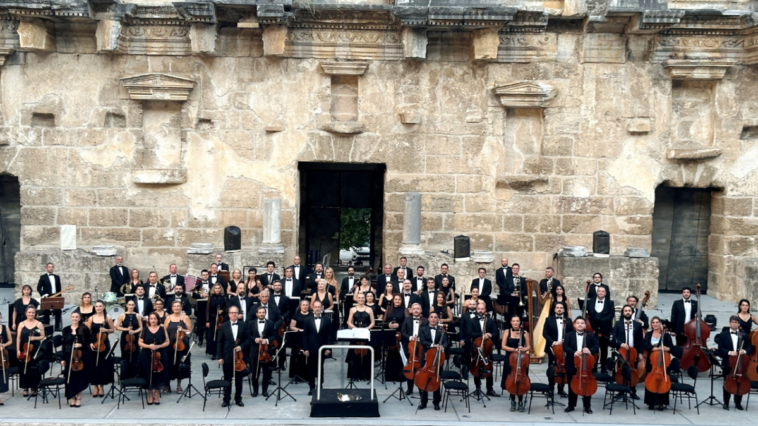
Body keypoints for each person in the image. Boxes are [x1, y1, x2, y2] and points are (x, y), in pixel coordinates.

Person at [563, 316, 599, 414]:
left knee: (587, 385)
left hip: (586, 365)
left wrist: (589, 350)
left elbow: (596, 346)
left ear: (585, 325)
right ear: (574, 325)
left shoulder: (591, 335)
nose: (580, 324)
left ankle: (587, 406)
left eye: (582, 323)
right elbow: (565, 346)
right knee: (572, 385)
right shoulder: (569, 335)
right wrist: (574, 352)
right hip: (572, 364)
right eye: (578, 323)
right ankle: (571, 405)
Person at [463, 301, 499, 397]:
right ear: (476, 310)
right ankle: (477, 388)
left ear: (485, 310)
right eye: (479, 309)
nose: (480, 311)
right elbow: (470, 333)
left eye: (482, 309)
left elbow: (496, 333)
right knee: (476, 367)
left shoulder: (490, 321)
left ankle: (489, 389)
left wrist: (490, 334)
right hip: (476, 348)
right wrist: (483, 335)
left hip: (487, 349)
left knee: (489, 367)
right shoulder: (472, 320)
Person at [217, 305, 249, 407]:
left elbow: (249, 340)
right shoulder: (223, 326)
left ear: (238, 314)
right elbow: (219, 342)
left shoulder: (244, 325)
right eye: (232, 313)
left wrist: (241, 346)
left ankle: (238, 398)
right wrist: (220, 357)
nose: (234, 314)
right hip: (227, 356)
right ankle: (226, 399)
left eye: (236, 312)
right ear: (229, 314)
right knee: (227, 379)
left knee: (239, 379)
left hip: (240, 357)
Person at [718, 315, 752, 410]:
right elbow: (720, 348)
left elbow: (749, 348)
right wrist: (729, 352)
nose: (734, 324)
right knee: (727, 382)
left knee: (740, 382)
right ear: (730, 323)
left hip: (741, 363)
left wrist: (744, 351)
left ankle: (738, 403)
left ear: (738, 324)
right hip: (728, 363)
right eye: (732, 322)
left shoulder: (744, 335)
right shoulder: (723, 334)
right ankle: (726, 403)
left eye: (736, 322)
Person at [612, 305, 644, 397]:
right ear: (623, 313)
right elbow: (614, 337)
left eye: (629, 310)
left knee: (633, 370)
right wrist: (621, 344)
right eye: (625, 311)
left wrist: (640, 353)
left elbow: (641, 340)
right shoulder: (618, 324)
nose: (627, 312)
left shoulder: (637, 325)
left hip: (634, 352)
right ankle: (621, 391)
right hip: (622, 352)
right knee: (621, 370)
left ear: (632, 312)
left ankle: (632, 391)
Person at [139, 311, 170, 405]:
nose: (153, 320)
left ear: (158, 320)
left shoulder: (162, 329)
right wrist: (149, 346)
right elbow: (140, 342)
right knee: (148, 374)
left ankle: (156, 395)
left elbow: (167, 342)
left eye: (155, 319)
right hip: (146, 355)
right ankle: (150, 396)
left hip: (160, 355)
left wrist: (159, 346)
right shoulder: (145, 329)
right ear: (149, 320)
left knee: (158, 375)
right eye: (151, 319)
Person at [418, 311, 447, 411]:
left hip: (438, 358)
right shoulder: (422, 329)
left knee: (436, 380)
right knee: (424, 379)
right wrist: (433, 345)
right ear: (428, 319)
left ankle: (436, 402)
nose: (434, 319)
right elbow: (423, 341)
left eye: (435, 317)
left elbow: (446, 342)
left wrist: (442, 347)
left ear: (438, 319)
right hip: (426, 358)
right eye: (432, 317)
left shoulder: (441, 330)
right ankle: (423, 402)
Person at [543, 301, 573, 397]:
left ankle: (561, 388)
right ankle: (550, 388)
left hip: (565, 348)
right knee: (552, 368)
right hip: (553, 348)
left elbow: (572, 333)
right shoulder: (549, 320)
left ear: (564, 309)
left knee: (564, 368)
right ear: (554, 309)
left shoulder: (568, 320)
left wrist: (567, 340)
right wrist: (553, 342)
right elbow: (545, 333)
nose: (559, 309)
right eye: (557, 307)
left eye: (561, 307)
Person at [501, 315, 531, 412]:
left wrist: (523, 349)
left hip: (522, 360)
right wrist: (514, 349)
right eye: (513, 321)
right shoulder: (506, 332)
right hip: (511, 360)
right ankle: (513, 401)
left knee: (521, 380)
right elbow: (503, 346)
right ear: (510, 322)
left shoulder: (525, 332)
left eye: (517, 321)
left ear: (520, 322)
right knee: (511, 380)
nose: (515, 322)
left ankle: (521, 401)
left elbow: (529, 346)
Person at [644, 316, 674, 411]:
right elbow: (646, 345)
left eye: (657, 322)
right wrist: (656, 348)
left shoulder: (666, 335)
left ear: (660, 323)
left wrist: (667, 348)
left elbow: (672, 347)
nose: (655, 324)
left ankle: (662, 403)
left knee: (663, 381)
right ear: (651, 324)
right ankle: (651, 402)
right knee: (650, 381)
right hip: (652, 362)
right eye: (653, 322)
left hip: (663, 363)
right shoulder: (648, 334)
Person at [303, 300, 332, 396]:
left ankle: (320, 386)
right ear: (313, 308)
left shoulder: (327, 320)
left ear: (322, 308)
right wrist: (305, 348)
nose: (317, 309)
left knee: (320, 368)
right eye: (316, 307)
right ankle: (311, 387)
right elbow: (305, 335)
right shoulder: (307, 320)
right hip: (311, 348)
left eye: (319, 307)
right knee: (311, 369)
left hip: (322, 348)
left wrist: (328, 348)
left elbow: (329, 335)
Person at [61, 311, 90, 407]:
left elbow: (89, 342)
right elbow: (64, 345)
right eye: (73, 317)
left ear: (80, 318)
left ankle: (79, 397)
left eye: (77, 317)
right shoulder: (66, 330)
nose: (75, 319)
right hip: (69, 355)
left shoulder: (84, 328)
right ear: (70, 318)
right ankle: (72, 396)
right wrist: (62, 358)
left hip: (81, 356)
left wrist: (81, 344)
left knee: (79, 377)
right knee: (70, 378)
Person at [86, 300, 115, 397]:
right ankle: (95, 386)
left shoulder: (108, 318)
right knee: (93, 365)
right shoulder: (91, 318)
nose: (98, 308)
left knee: (103, 365)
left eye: (100, 306)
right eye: (96, 306)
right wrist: (89, 342)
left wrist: (105, 329)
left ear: (104, 307)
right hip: (93, 344)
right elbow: (88, 333)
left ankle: (102, 386)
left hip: (104, 344)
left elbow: (112, 330)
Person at [346, 292, 375, 381]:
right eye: (359, 297)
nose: (361, 299)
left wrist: (366, 329)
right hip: (356, 333)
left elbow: (373, 322)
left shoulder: (370, 309)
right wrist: (356, 328)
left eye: (363, 297)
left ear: (365, 298)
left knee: (367, 355)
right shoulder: (352, 309)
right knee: (354, 355)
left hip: (366, 333)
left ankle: (366, 375)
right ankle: (354, 375)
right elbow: (348, 322)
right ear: (357, 299)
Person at [164, 300, 192, 394]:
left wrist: (182, 329)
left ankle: (179, 385)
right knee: (169, 363)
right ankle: (167, 385)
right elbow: (164, 331)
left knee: (179, 364)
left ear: (181, 307)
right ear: (172, 308)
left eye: (178, 306)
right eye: (174, 306)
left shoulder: (185, 317)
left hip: (181, 344)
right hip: (170, 344)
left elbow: (189, 331)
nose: (176, 308)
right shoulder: (168, 318)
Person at [17, 305, 45, 397]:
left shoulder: (39, 324)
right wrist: (17, 350)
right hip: (24, 349)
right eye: (29, 312)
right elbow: (18, 338)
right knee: (24, 368)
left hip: (34, 349)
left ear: (35, 313)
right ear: (26, 313)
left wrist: (34, 338)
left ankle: (34, 387)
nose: (31, 314)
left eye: (33, 312)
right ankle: (25, 387)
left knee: (34, 368)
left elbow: (42, 336)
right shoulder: (21, 324)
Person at [248, 306, 276, 397]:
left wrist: (267, 340)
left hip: (266, 352)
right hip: (255, 351)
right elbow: (248, 336)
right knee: (255, 372)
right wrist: (255, 339)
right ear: (256, 314)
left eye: (263, 312)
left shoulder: (270, 323)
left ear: (265, 313)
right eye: (259, 312)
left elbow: (274, 335)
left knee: (266, 372)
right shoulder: (251, 323)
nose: (261, 314)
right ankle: (255, 390)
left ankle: (265, 390)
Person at [586, 286, 613, 372]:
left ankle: (603, 367)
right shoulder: (590, 302)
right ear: (597, 292)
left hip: (605, 328)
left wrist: (602, 321)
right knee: (593, 348)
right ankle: (593, 366)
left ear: (605, 293)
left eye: (603, 291)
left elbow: (611, 314)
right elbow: (588, 313)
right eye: (599, 291)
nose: (601, 293)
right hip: (592, 328)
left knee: (604, 348)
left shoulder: (610, 302)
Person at [401, 303, 426, 395]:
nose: (416, 310)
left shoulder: (425, 320)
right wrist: (410, 337)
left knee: (420, 368)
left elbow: (427, 333)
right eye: (414, 309)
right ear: (410, 310)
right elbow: (402, 332)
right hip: (409, 347)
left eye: (418, 309)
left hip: (421, 348)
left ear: (421, 310)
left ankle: (420, 387)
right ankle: (409, 389)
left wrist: (421, 338)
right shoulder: (407, 319)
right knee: (410, 367)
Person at [116, 299, 143, 378]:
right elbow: (117, 327)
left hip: (135, 337)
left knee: (135, 355)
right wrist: (126, 329)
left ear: (134, 306)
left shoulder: (137, 315)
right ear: (126, 305)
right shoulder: (122, 315)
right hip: (125, 337)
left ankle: (134, 375)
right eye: (129, 305)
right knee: (125, 355)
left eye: (132, 305)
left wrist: (134, 331)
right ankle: (125, 375)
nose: (131, 306)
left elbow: (141, 327)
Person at [384, 294, 407, 382]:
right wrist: (388, 325)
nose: (397, 301)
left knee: (399, 355)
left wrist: (399, 325)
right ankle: (389, 375)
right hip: (390, 334)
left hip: (400, 334)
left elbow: (407, 323)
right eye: (395, 299)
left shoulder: (404, 310)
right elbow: (384, 322)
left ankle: (399, 375)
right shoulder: (389, 310)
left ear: (402, 301)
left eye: (399, 299)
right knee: (390, 355)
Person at [289, 299, 311, 380]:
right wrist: (300, 330)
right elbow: (292, 327)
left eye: (306, 305)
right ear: (300, 306)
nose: (305, 306)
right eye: (303, 305)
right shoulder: (296, 315)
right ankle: (297, 374)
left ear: (309, 306)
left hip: (308, 337)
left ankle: (307, 375)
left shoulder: (311, 315)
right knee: (298, 356)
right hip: (298, 337)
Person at [37, 262, 63, 331]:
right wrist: (43, 295)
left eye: (52, 267)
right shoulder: (43, 277)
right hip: (47, 296)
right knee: (46, 312)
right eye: (49, 267)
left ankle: (57, 326)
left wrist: (60, 298)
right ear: (46, 268)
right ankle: (47, 326)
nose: (50, 268)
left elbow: (59, 288)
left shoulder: (57, 277)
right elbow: (38, 288)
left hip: (56, 296)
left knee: (58, 311)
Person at [206, 283, 227, 359]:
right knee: (212, 336)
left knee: (221, 336)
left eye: (218, 288)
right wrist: (207, 321)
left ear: (221, 289)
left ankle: (221, 353)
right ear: (213, 289)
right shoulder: (210, 298)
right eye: (216, 288)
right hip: (212, 319)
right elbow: (208, 310)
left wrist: (223, 311)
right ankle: (213, 353)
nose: (217, 290)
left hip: (221, 319)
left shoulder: (224, 297)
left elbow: (227, 308)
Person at [191, 270, 211, 347]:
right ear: (201, 276)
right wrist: (201, 296)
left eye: (206, 275)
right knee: (200, 324)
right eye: (203, 275)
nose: (205, 276)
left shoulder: (212, 284)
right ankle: (200, 339)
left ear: (208, 275)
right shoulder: (197, 284)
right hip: (200, 305)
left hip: (209, 304)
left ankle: (208, 339)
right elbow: (193, 296)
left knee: (209, 323)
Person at [0, 312, 11, 404]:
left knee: (1, 376)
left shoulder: (5, 327)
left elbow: (10, 340)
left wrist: (4, 345)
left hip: (3, 354)